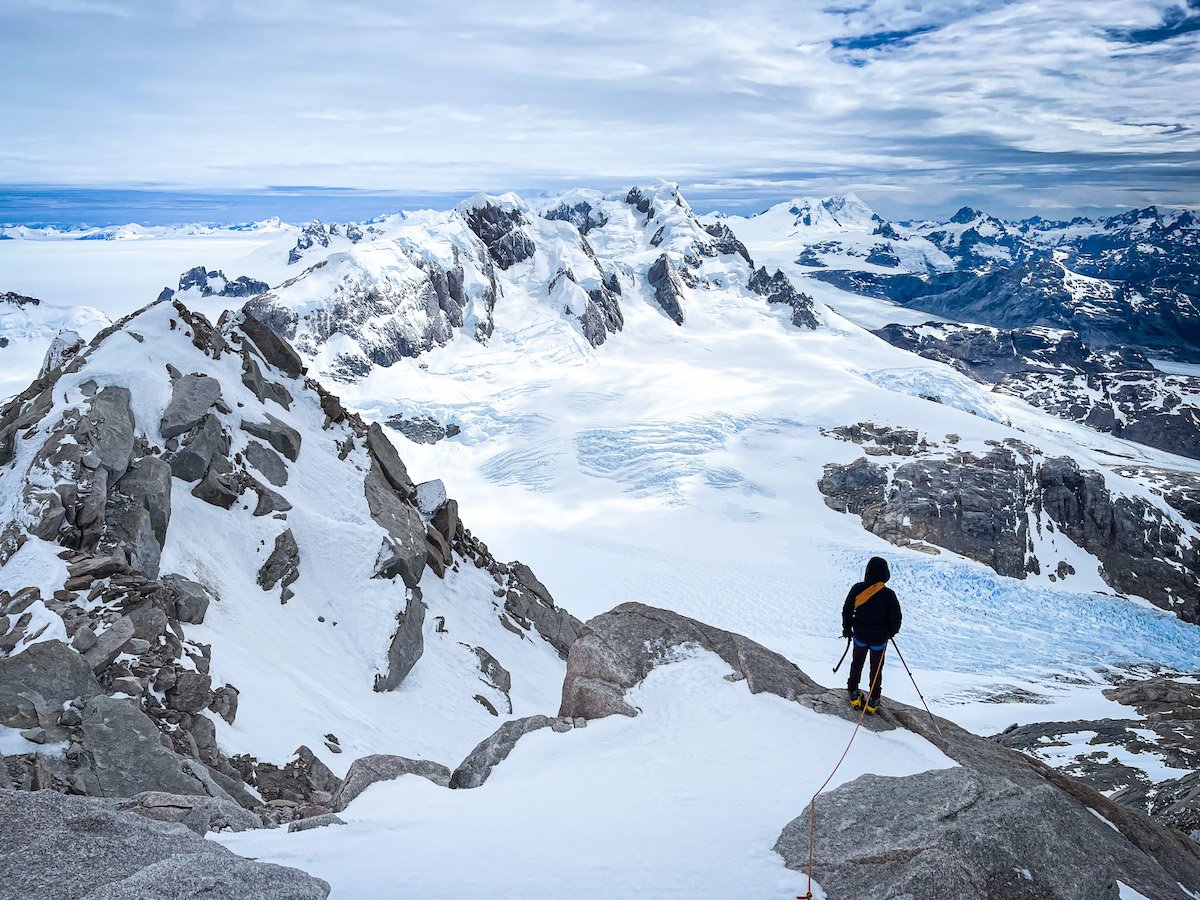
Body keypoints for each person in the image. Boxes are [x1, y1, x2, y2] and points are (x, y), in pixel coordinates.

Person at [841, 556, 902, 714]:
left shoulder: (857, 589)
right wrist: (890, 633)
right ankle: (873, 699)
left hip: (860, 636)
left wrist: (847, 629)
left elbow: (847, 610)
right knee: (876, 668)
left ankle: (854, 692)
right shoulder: (888, 595)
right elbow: (896, 618)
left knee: (857, 663)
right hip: (879, 640)